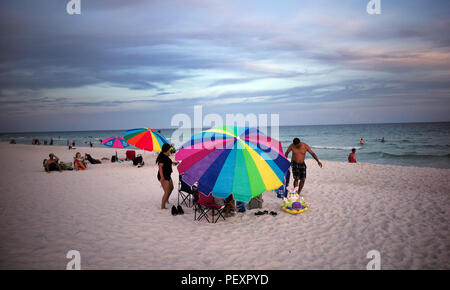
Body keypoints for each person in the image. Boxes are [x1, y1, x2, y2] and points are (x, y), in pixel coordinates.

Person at [156, 143, 174, 209]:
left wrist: (173, 163)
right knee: (166, 191)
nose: (170, 150)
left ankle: (166, 199)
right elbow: (160, 167)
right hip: (163, 176)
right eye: (169, 149)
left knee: (171, 188)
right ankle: (163, 206)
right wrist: (162, 178)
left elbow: (168, 162)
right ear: (166, 149)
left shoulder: (166, 155)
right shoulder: (162, 157)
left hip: (168, 174)